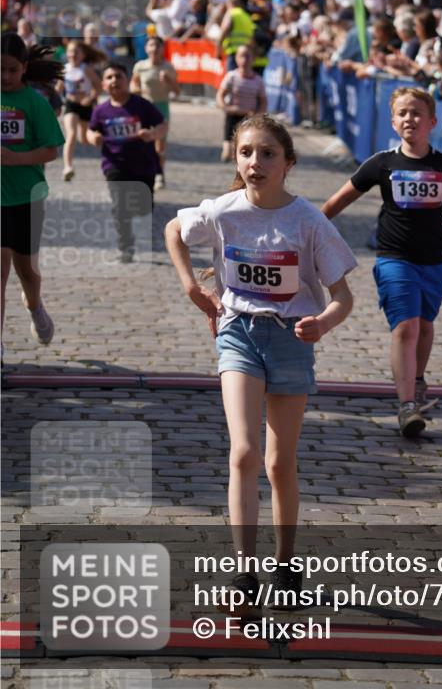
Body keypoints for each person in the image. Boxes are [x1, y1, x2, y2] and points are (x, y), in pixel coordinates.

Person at [164, 114, 356, 606]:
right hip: (239, 334)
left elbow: (343, 295)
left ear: (288, 163)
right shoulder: (224, 211)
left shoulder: (308, 220)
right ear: (236, 157)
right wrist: (192, 288)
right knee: (244, 452)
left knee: (278, 462)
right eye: (247, 152)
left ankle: (287, 563)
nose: (256, 162)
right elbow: (173, 229)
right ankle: (244, 570)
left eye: (268, 153)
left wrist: (324, 322)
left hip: (292, 340)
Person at [322, 87, 442, 438]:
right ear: (393, 122)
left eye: (417, 113)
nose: (410, 119)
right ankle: (407, 405)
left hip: (435, 262)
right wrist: (310, 229)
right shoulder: (382, 164)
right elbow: (337, 202)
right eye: (403, 113)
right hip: (394, 258)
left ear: (432, 122)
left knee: (424, 326)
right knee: (405, 327)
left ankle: (417, 381)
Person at [1, 33, 65, 349]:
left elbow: (52, 149)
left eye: (12, 70)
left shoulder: (34, 103)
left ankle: (35, 307)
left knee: (27, 271)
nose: (5, 76)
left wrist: (17, 159)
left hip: (27, 197)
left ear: (24, 68)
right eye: (0, 69)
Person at [87, 62, 167, 263]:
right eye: (110, 77)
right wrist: (93, 138)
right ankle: (126, 247)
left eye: (119, 76)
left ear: (128, 81)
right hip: (114, 164)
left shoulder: (141, 104)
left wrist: (152, 134)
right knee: (119, 206)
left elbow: (162, 124)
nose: (115, 80)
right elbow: (91, 130)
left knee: (144, 207)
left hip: (144, 164)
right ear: (104, 85)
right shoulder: (100, 111)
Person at [130, 36, 180, 189]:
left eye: (157, 46)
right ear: (146, 49)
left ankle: (159, 174)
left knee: (159, 145)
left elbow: (177, 92)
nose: (154, 49)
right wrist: (136, 90)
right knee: (142, 141)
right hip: (144, 108)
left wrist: (169, 81)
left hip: (162, 107)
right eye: (151, 45)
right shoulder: (140, 66)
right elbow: (133, 84)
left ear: (162, 49)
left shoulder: (168, 67)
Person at [59, 40, 102, 181]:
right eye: (70, 51)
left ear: (83, 55)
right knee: (70, 135)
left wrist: (91, 98)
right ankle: (67, 167)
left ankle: (108, 148)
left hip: (86, 106)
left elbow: (98, 86)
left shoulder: (86, 69)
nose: (73, 54)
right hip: (71, 105)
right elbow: (58, 89)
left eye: (76, 52)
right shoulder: (64, 69)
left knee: (83, 139)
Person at [216, 45, 267, 163]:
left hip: (249, 118)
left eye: (248, 56)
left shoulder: (258, 81)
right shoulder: (232, 76)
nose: (245, 60)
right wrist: (225, 107)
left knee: (244, 151)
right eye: (241, 56)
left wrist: (258, 115)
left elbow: (263, 101)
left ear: (253, 59)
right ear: (236, 59)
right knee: (227, 154)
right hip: (233, 116)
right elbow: (220, 95)